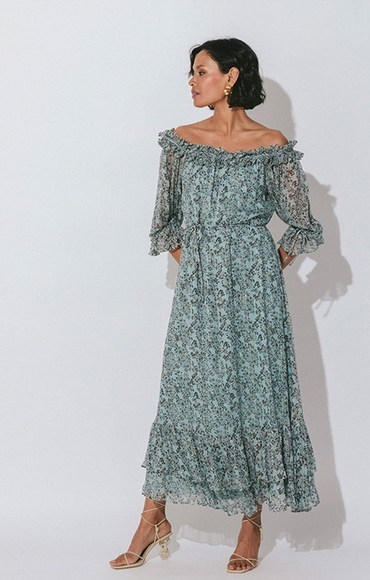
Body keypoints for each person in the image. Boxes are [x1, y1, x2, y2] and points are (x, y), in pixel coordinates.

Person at [110, 37, 324, 574]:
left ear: (230, 77)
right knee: (183, 396)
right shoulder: (181, 143)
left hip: (257, 298)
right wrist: (201, 269)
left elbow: (302, 224)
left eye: (201, 71)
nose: (191, 80)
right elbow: (165, 223)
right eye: (191, 72)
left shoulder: (271, 144)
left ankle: (251, 522)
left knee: (254, 397)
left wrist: (259, 269)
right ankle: (152, 517)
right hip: (199, 294)